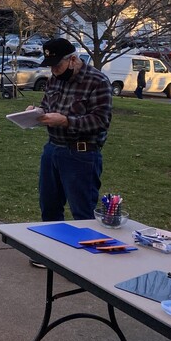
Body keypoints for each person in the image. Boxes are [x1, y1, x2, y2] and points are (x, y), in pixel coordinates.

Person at [30, 37, 112, 223]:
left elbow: (101, 121)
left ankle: (85, 249)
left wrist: (66, 121)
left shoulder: (97, 81)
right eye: (50, 66)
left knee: (83, 213)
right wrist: (36, 113)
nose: (54, 71)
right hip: (52, 150)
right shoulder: (54, 80)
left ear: (73, 60)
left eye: (57, 65)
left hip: (81, 154)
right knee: (49, 209)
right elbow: (46, 106)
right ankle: (50, 250)